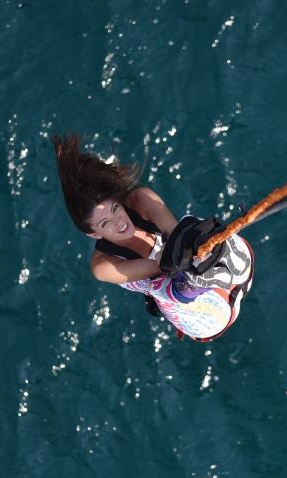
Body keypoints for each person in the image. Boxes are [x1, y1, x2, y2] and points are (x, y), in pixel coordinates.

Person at [52, 133, 253, 341]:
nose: (118, 221)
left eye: (115, 208)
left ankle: (223, 262)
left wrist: (194, 243)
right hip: (204, 314)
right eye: (105, 223)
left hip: (224, 276)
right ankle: (198, 280)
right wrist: (181, 257)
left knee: (188, 229)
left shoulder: (140, 200)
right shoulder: (103, 265)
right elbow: (157, 266)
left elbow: (176, 235)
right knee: (161, 283)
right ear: (93, 233)